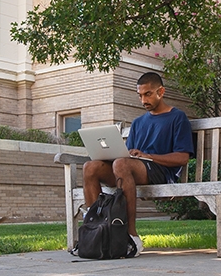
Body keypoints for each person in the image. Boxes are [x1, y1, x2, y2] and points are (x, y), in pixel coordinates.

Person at [82, 72, 194, 257]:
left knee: (122, 164)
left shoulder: (177, 118)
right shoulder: (138, 122)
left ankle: (130, 236)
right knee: (90, 167)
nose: (143, 100)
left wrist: (147, 156)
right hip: (131, 168)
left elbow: (182, 158)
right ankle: (97, 231)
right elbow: (125, 155)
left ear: (161, 91)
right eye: (140, 95)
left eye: (148, 94)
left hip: (161, 171)